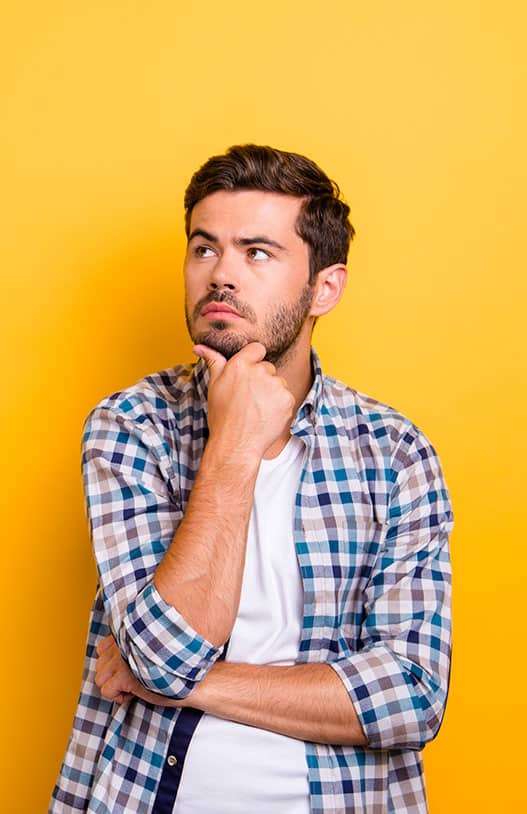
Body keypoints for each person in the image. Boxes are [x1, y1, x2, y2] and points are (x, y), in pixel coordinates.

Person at [50, 144, 453, 814]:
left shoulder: (394, 453)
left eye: (256, 253)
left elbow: (410, 695)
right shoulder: (131, 426)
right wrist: (233, 446)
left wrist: (188, 683)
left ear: (323, 286)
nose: (220, 276)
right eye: (203, 249)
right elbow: (164, 651)